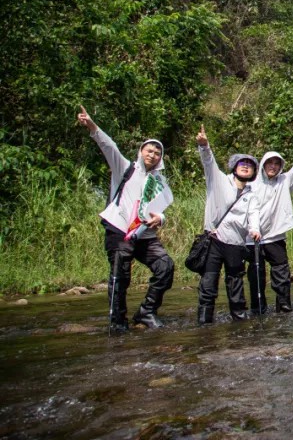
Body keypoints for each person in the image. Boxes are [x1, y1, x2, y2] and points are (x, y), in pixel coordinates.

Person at [78, 106, 174, 332]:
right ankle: (117, 321)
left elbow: (162, 208)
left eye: (157, 153)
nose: (152, 155)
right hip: (120, 228)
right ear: (141, 151)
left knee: (165, 266)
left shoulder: (161, 182)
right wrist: (92, 126)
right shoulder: (125, 168)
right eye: (149, 150)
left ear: (161, 158)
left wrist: (161, 218)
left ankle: (146, 311)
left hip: (145, 235)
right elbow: (108, 145)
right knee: (120, 274)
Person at [195, 125, 260, 323]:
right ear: (234, 166)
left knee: (235, 282)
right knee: (209, 281)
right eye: (242, 163)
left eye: (250, 164)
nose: (246, 166)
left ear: (254, 172)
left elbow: (254, 215)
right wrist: (204, 146)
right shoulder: (219, 181)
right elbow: (209, 162)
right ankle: (205, 320)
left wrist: (255, 229)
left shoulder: (252, 195)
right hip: (214, 240)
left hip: (235, 243)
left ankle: (239, 318)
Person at [247, 136, 293, 314]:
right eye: (270, 163)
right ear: (263, 165)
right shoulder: (251, 184)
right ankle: (257, 308)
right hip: (253, 238)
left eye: (277, 163)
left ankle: (283, 306)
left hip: (275, 236)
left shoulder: (285, 181)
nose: (273, 166)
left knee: (281, 274)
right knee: (256, 275)